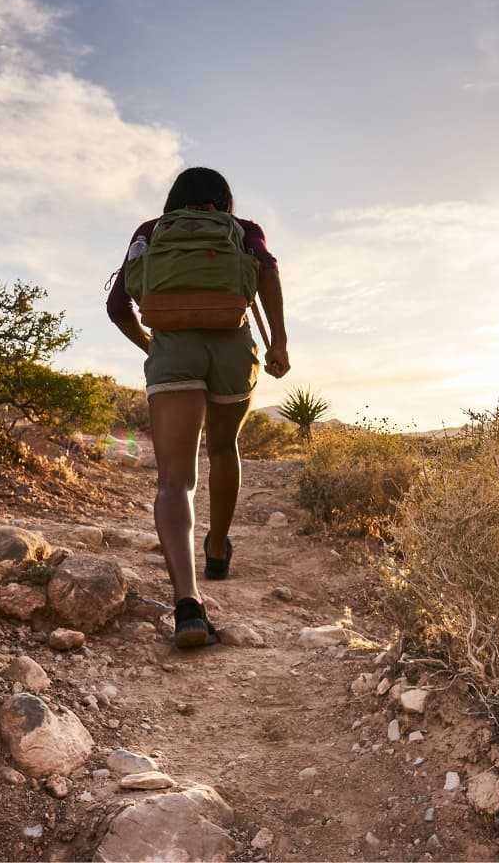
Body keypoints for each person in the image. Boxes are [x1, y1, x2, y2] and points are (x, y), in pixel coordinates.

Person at [106, 168, 289, 648]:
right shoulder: (244, 231)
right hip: (232, 348)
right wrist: (280, 345)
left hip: (173, 352)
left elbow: (117, 306)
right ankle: (215, 546)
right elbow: (267, 274)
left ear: (174, 200)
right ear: (223, 200)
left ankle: (188, 604)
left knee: (174, 479)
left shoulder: (150, 232)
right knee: (224, 448)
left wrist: (152, 345)